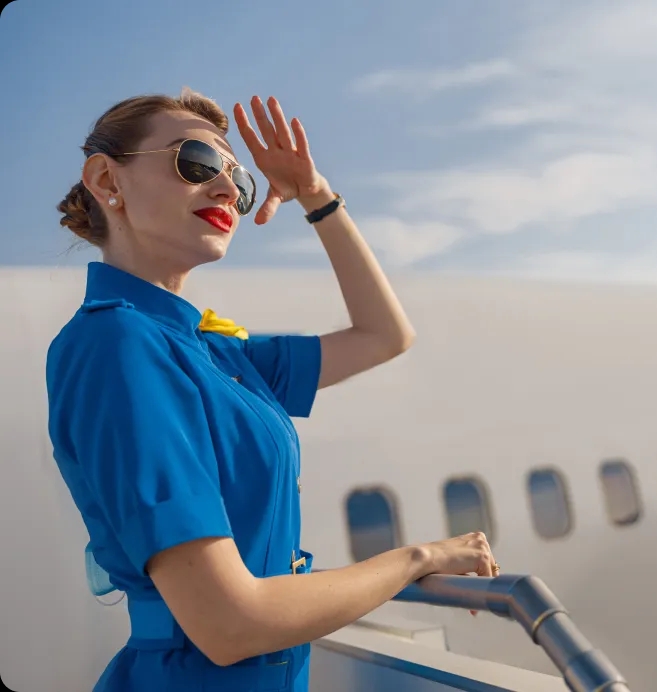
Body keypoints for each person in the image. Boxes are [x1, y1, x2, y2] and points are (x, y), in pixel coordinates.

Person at [46, 87, 499, 692]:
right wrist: (417, 559)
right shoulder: (118, 345)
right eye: (198, 163)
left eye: (241, 179)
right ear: (108, 180)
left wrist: (314, 192)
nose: (230, 189)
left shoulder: (210, 349)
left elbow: (384, 334)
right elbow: (229, 624)